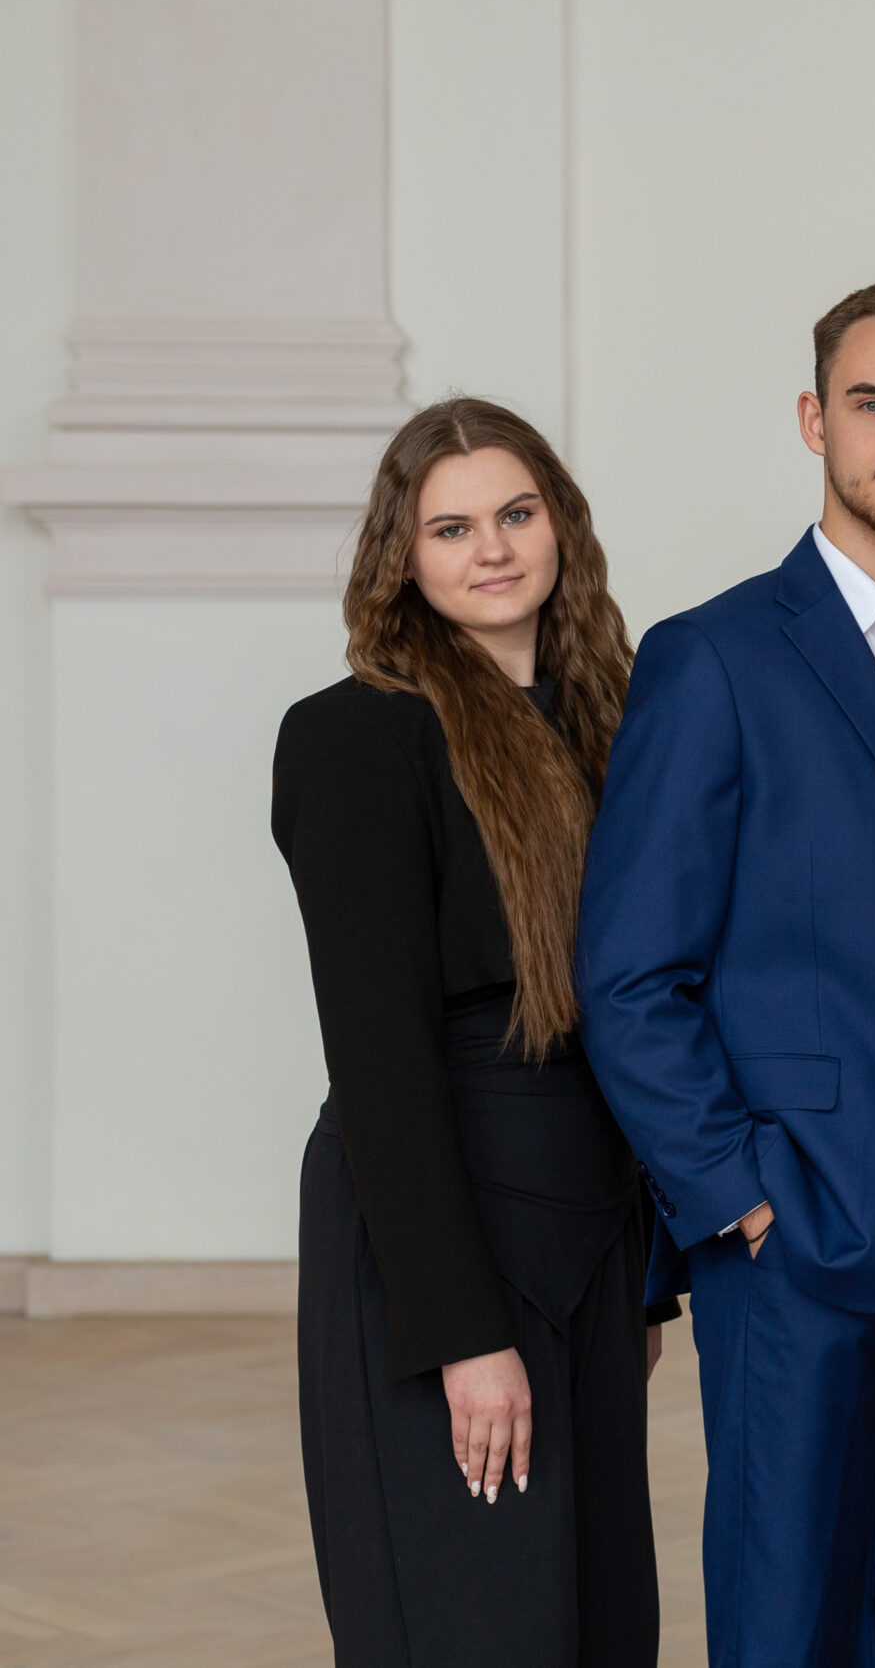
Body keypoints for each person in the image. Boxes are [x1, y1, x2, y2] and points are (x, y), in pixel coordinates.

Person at [576, 280, 875, 1668]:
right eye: (872, 403)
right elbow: (630, 972)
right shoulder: (715, 657)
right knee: (783, 1607)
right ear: (813, 419)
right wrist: (736, 1195)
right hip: (802, 1213)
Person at [275, 397, 662, 1666]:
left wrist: (642, 1277)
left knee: (602, 1623)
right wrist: (462, 1335)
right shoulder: (353, 736)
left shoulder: (613, 720)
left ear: (560, 526)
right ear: (402, 555)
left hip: (589, 1228)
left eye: (515, 513)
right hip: (440, 1236)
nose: (491, 549)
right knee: (477, 1624)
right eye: (450, 528)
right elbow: (378, 1061)